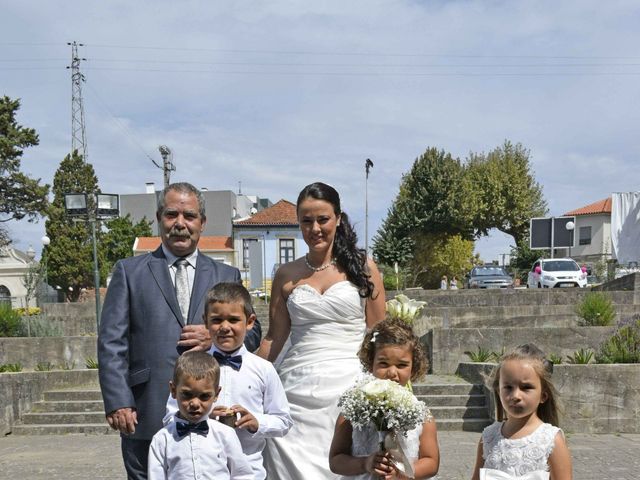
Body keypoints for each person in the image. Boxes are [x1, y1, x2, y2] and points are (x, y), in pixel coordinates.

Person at [98, 182, 261, 480]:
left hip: (211, 416)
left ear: (202, 222)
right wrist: (119, 400)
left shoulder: (227, 274)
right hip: (146, 412)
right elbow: (111, 342)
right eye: (172, 214)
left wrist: (213, 336)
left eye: (189, 216)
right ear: (159, 218)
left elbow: (252, 332)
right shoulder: (129, 272)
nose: (180, 224)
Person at [258, 182, 386, 479]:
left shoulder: (364, 268)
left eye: (322, 219)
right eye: (306, 221)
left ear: (338, 219)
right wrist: (234, 371)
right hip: (296, 388)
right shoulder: (286, 275)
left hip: (352, 383)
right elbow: (274, 339)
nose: (314, 228)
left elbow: (380, 333)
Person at [164, 282, 292, 479]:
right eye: (216, 320)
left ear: (249, 322)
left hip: (249, 471)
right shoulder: (189, 366)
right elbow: (169, 418)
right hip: (202, 471)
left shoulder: (263, 369)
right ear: (205, 321)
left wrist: (258, 422)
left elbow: (283, 421)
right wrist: (198, 417)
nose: (225, 327)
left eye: (233, 320)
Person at [329, 319, 440, 479]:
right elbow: (335, 459)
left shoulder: (422, 415)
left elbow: (431, 462)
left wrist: (401, 474)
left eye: (401, 365)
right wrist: (365, 463)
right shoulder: (353, 411)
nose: (392, 372)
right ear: (370, 363)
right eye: (383, 363)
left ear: (413, 367)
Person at [471, 344, 573, 480]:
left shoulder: (551, 440)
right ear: (498, 390)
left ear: (543, 395)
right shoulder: (488, 437)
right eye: (508, 387)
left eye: (526, 387)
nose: (516, 396)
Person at [148, 351, 254, 479]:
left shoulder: (225, 434)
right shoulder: (161, 440)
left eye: (204, 396)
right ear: (173, 390)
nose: (195, 403)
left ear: (216, 394)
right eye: (187, 394)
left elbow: (242, 474)